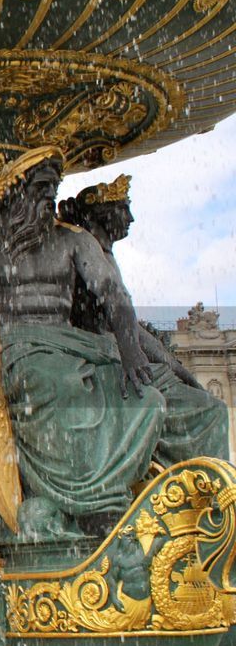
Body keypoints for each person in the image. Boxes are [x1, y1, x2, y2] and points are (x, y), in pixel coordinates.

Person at [0, 147, 163, 536]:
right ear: (14, 193)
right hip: (7, 346)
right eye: (40, 189)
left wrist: (130, 347)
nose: (49, 199)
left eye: (54, 189)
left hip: (69, 344)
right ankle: (84, 503)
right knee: (54, 382)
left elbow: (113, 292)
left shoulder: (73, 241)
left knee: (147, 396)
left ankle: (112, 495)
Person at [58, 176, 228, 464]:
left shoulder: (96, 252)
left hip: (104, 353)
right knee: (212, 411)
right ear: (103, 212)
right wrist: (171, 365)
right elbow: (122, 325)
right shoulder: (87, 252)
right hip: (100, 358)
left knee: (205, 404)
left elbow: (130, 327)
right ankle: (204, 495)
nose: (132, 219)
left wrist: (173, 364)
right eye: (125, 209)